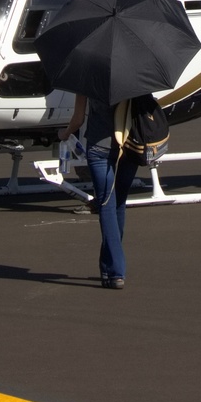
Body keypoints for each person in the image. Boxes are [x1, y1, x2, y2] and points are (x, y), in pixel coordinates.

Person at [61, 94, 141, 289]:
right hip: (130, 144)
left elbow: (78, 118)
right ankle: (109, 268)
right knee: (119, 203)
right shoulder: (136, 71)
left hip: (99, 145)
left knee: (106, 203)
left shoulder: (89, 72)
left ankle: (115, 270)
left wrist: (65, 133)